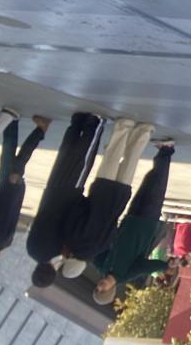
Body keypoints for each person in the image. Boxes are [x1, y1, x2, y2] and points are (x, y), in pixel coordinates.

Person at [57, 120, 161, 281]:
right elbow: (76, 212)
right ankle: (124, 126)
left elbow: (114, 230)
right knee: (112, 158)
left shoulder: (99, 248)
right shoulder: (72, 239)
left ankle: (144, 131)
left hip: (118, 202)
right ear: (68, 260)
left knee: (130, 163)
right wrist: (83, 200)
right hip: (100, 195)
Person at [92, 142, 177, 306]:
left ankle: (161, 155)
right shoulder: (126, 275)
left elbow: (94, 253)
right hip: (146, 226)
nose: (100, 287)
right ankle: (167, 151)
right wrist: (165, 265)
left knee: (147, 185)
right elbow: (145, 267)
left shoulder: (103, 267)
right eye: (102, 290)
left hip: (130, 220)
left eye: (97, 289)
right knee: (157, 190)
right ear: (111, 290)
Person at [27, 112, 106, 286]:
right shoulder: (31, 249)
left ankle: (93, 124)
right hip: (50, 194)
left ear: (52, 273)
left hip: (69, 197)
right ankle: (76, 123)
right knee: (64, 157)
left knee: (83, 160)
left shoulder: (58, 250)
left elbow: (68, 225)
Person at [0, 110, 50, 255]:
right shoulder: (0, 238)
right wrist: (12, 187)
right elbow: (7, 211)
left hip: (10, 189)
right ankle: (37, 128)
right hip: (9, 188)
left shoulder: (4, 241)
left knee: (14, 155)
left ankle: (16, 122)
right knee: (14, 155)